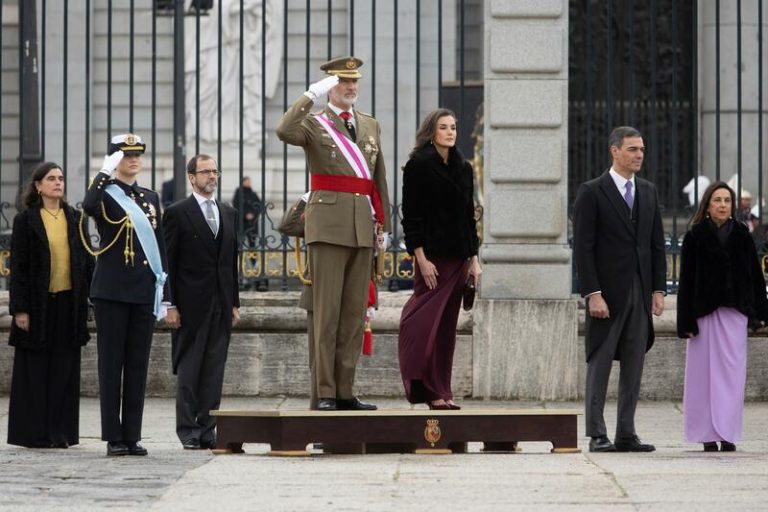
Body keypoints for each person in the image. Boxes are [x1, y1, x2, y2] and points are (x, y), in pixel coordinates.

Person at [276, 56, 391, 411]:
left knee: (353, 316)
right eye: (344, 82)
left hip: (361, 227)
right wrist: (311, 94)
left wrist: (383, 226)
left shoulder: (369, 125)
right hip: (327, 227)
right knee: (326, 315)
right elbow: (284, 130)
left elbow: (378, 179)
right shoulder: (314, 123)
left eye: (355, 82)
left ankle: (345, 390)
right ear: (331, 86)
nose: (352, 88)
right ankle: (325, 392)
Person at [573, 126, 667, 453]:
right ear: (615, 151)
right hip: (607, 294)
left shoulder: (649, 191)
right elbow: (583, 249)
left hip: (640, 292)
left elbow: (656, 244)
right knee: (599, 362)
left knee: (634, 363)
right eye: (632, 149)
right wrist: (593, 293)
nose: (639, 155)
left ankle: (626, 432)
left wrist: (658, 289)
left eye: (641, 149)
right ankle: (597, 434)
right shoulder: (592, 192)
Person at [82, 133, 170, 457]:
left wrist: (167, 295)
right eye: (125, 155)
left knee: (137, 365)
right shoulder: (104, 194)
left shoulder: (149, 197)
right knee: (111, 365)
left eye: (136, 155)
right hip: (111, 291)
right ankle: (113, 436)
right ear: (115, 159)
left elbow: (160, 247)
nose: (132, 160)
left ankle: (132, 435)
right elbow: (88, 206)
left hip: (143, 290)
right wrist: (103, 173)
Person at [398, 109, 481, 410]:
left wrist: (474, 258)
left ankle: (441, 391)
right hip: (432, 260)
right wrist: (420, 257)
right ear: (431, 131)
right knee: (423, 323)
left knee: (446, 330)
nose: (450, 132)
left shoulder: (464, 167)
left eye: (454, 127)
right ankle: (421, 382)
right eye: (444, 127)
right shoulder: (418, 166)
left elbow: (469, 217)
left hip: (458, 258)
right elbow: (411, 217)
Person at [677, 181, 768, 452]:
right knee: (702, 375)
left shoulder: (742, 235)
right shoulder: (695, 236)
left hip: (734, 313)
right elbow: (686, 281)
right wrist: (685, 322)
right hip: (703, 313)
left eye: (727, 201)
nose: (722, 205)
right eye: (717, 200)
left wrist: (761, 313)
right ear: (707, 205)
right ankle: (706, 434)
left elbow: (754, 275)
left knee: (731, 375)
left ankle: (727, 433)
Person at [7, 162, 93, 448]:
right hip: (37, 306)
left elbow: (86, 262)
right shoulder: (26, 220)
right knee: (35, 370)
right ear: (38, 186)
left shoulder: (76, 218)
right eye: (51, 179)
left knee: (64, 369)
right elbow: (19, 268)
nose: (58, 183)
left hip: (68, 306)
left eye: (61, 178)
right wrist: (20, 309)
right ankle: (34, 433)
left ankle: (61, 434)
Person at [164, 154, 241, 450]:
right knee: (190, 368)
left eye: (215, 171)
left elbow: (229, 262)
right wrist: (169, 304)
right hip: (189, 305)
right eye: (205, 172)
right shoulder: (177, 212)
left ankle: (208, 428)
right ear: (191, 177)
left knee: (213, 370)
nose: (212, 176)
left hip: (220, 304)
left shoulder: (227, 212)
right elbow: (168, 262)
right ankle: (188, 429)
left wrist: (234, 302)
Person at [232, 176, 261, 247]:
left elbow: (259, 206)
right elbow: (236, 205)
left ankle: (253, 258)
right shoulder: (238, 193)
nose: (249, 183)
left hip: (252, 222)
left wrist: (253, 214)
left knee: (252, 243)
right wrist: (245, 214)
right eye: (247, 181)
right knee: (239, 242)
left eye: (250, 182)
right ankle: (238, 257)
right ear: (243, 182)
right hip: (241, 222)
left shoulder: (253, 194)